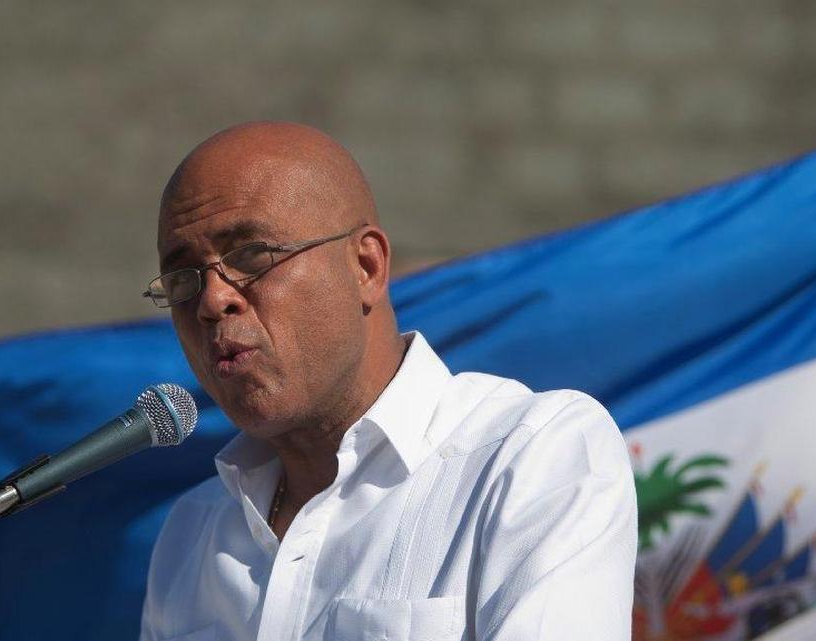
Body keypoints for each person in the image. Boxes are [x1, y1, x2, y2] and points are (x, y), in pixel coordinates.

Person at [138, 122, 637, 641]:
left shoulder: (529, 456)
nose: (213, 301)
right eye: (182, 278)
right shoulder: (191, 533)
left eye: (250, 256)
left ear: (366, 266)